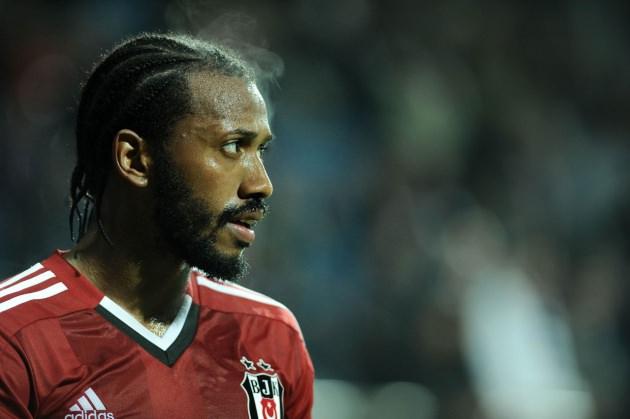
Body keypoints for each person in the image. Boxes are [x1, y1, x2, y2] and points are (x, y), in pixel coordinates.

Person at [0, 33, 313, 419]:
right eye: (233, 146)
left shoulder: (271, 336)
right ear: (134, 159)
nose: (262, 184)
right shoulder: (14, 338)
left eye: (260, 150)